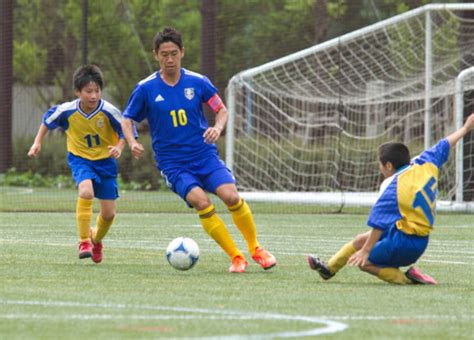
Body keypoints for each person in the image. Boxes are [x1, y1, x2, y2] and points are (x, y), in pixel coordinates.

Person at [121, 27, 276, 273]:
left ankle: (256, 249)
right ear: (156, 56)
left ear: (182, 52)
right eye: (164, 55)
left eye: (174, 53)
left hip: (203, 155)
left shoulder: (198, 82)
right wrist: (132, 141)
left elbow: (222, 110)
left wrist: (218, 126)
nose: (169, 59)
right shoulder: (146, 88)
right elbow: (127, 119)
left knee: (232, 197)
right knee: (201, 202)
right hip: (173, 164)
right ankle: (236, 257)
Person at [307, 113, 474, 285]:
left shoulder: (394, 187)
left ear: (388, 165)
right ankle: (328, 269)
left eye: (380, 164)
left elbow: (378, 224)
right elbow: (445, 143)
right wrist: (465, 128)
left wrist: (365, 251)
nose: (380, 169)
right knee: (359, 240)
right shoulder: (425, 162)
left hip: (406, 243)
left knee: (365, 262)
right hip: (409, 232)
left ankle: (408, 280)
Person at [28, 64, 127, 264]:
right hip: (80, 159)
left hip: (106, 162)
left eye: (97, 91)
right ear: (77, 92)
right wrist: (37, 142)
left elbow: (126, 130)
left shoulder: (109, 111)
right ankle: (83, 242)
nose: (93, 96)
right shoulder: (67, 110)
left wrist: (120, 147)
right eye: (88, 91)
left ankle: (96, 240)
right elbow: (47, 121)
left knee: (109, 214)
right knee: (86, 192)